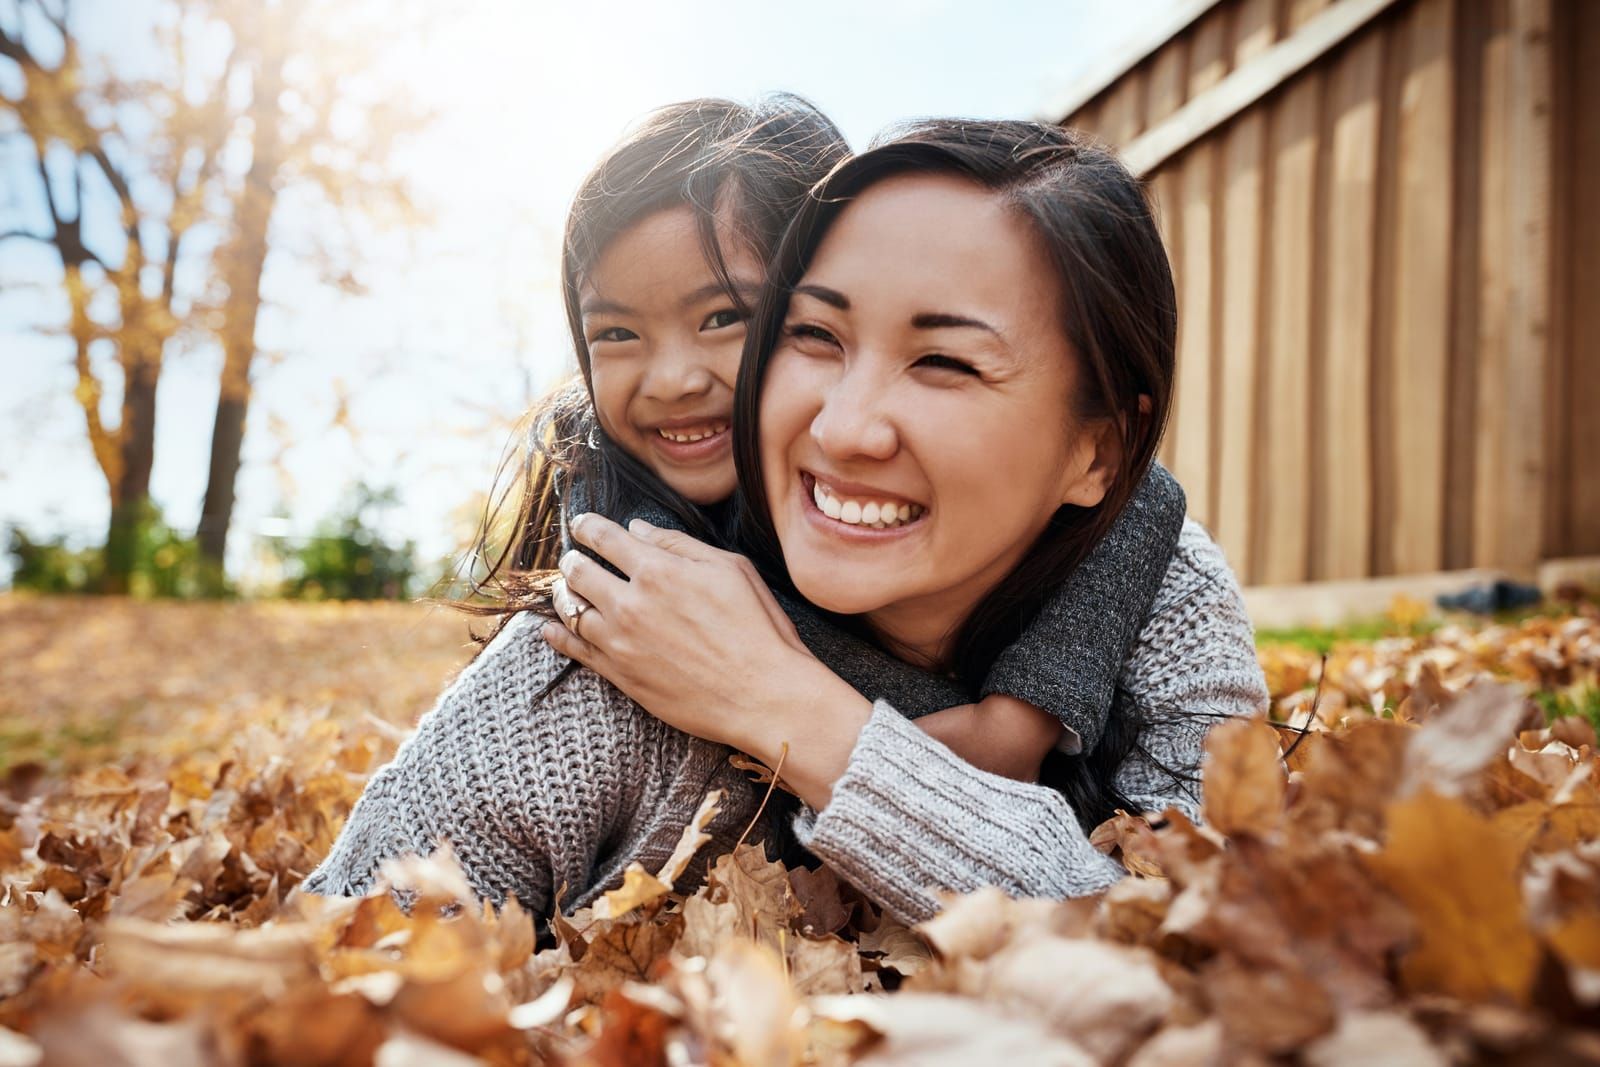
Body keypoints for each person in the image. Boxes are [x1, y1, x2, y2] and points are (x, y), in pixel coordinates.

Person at [301, 115, 1263, 923]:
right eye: (817, 335)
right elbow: (343, 961)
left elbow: (1210, 946)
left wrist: (790, 710)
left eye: (944, 361)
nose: (843, 426)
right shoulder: (608, 641)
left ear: (1097, 452)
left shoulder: (1158, 585)